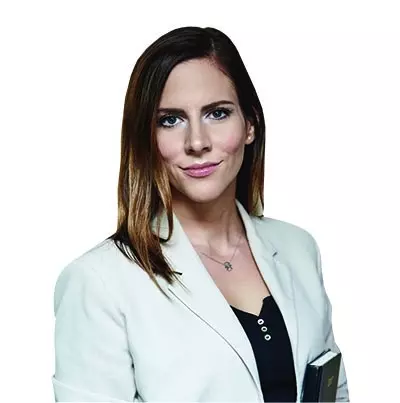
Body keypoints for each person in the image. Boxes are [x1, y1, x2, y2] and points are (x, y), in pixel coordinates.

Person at [51, 26, 349, 402]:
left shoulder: (298, 249)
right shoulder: (98, 282)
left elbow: (333, 392)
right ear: (146, 139)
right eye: (170, 120)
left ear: (250, 125)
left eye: (217, 113)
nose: (197, 142)